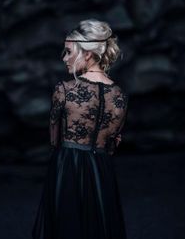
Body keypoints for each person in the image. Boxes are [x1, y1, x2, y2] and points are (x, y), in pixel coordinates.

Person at [32, 18, 129, 239]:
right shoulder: (120, 96)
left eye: (68, 52)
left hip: (67, 167)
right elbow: (112, 146)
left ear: (87, 54)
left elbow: (54, 140)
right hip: (102, 170)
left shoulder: (64, 90)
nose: (64, 59)